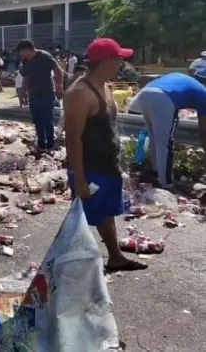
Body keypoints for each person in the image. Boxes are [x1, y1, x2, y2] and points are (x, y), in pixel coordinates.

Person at [65, 38, 147, 273]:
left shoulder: (106, 86)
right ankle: (67, 267)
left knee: (106, 214)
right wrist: (79, 179)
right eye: (119, 59)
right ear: (107, 61)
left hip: (108, 166)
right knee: (82, 219)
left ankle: (114, 257)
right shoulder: (80, 92)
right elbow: (72, 139)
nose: (121, 63)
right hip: (90, 169)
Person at [128, 72, 206, 188]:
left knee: (154, 138)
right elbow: (203, 131)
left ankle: (156, 172)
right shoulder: (204, 96)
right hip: (164, 97)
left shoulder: (190, 83)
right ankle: (166, 183)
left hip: (144, 93)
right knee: (166, 143)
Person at [17, 39, 64, 152]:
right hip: (34, 96)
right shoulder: (26, 62)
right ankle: (42, 145)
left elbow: (58, 70)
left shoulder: (44, 56)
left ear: (26, 50)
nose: (19, 54)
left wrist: (60, 87)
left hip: (46, 94)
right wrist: (22, 97)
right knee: (37, 121)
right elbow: (25, 81)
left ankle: (50, 145)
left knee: (47, 120)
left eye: (20, 51)